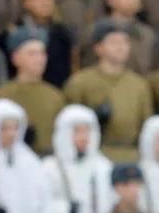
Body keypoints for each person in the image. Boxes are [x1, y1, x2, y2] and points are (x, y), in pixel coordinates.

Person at [64, 19, 153, 162]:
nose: (121, 47)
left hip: (132, 156)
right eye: (114, 43)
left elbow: (147, 127)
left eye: (125, 42)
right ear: (98, 48)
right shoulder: (80, 82)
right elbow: (68, 125)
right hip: (93, 155)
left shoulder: (139, 84)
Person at [0, 25, 66, 155]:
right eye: (31, 53)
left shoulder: (55, 96)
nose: (39, 59)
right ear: (15, 58)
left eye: (42, 53)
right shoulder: (1, 96)